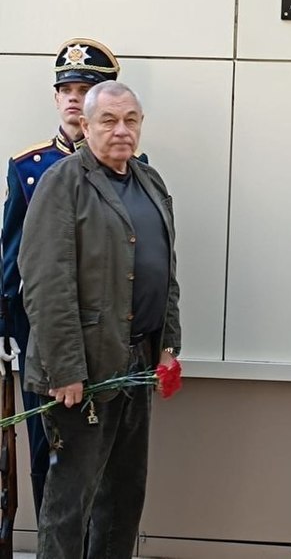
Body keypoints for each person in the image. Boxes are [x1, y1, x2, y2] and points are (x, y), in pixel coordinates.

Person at [18, 80, 181, 559]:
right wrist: (65, 368)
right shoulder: (63, 183)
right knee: (71, 499)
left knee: (125, 493)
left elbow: (165, 271)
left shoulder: (151, 183)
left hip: (138, 361)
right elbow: (47, 282)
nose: (121, 130)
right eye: (108, 120)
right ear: (85, 126)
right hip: (83, 371)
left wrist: (168, 346)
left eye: (130, 119)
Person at [0, 37, 121, 518]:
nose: (72, 97)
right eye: (65, 88)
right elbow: (10, 255)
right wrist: (6, 325)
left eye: (84, 88)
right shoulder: (28, 168)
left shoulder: (131, 169)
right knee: (45, 447)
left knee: (105, 454)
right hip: (43, 331)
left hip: (108, 332)